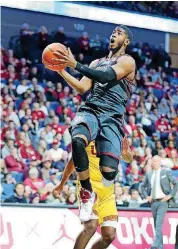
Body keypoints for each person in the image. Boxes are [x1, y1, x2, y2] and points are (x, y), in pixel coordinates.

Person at [45, 25, 136, 222]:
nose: (114, 34)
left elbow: (106, 76)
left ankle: (105, 176)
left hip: (112, 116)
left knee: (108, 174)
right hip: (91, 110)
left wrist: (74, 64)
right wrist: (61, 70)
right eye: (113, 31)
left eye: (119, 33)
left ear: (126, 41)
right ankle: (86, 192)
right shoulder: (96, 62)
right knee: (77, 140)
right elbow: (82, 87)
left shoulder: (128, 61)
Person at [53, 137, 132, 249]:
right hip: (88, 185)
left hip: (107, 191)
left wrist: (125, 153)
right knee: (90, 227)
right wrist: (61, 184)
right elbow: (74, 161)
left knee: (109, 235)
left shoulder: (115, 133)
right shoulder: (87, 132)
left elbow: (129, 158)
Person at [140, 155, 178, 249]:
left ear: (160, 162)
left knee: (158, 224)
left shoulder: (166, 172)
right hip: (153, 202)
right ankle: (160, 246)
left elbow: (176, 183)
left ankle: (154, 245)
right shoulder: (149, 174)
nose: (154, 163)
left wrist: (170, 195)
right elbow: (142, 186)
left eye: (156, 161)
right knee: (156, 224)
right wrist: (146, 196)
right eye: (153, 161)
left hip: (163, 201)